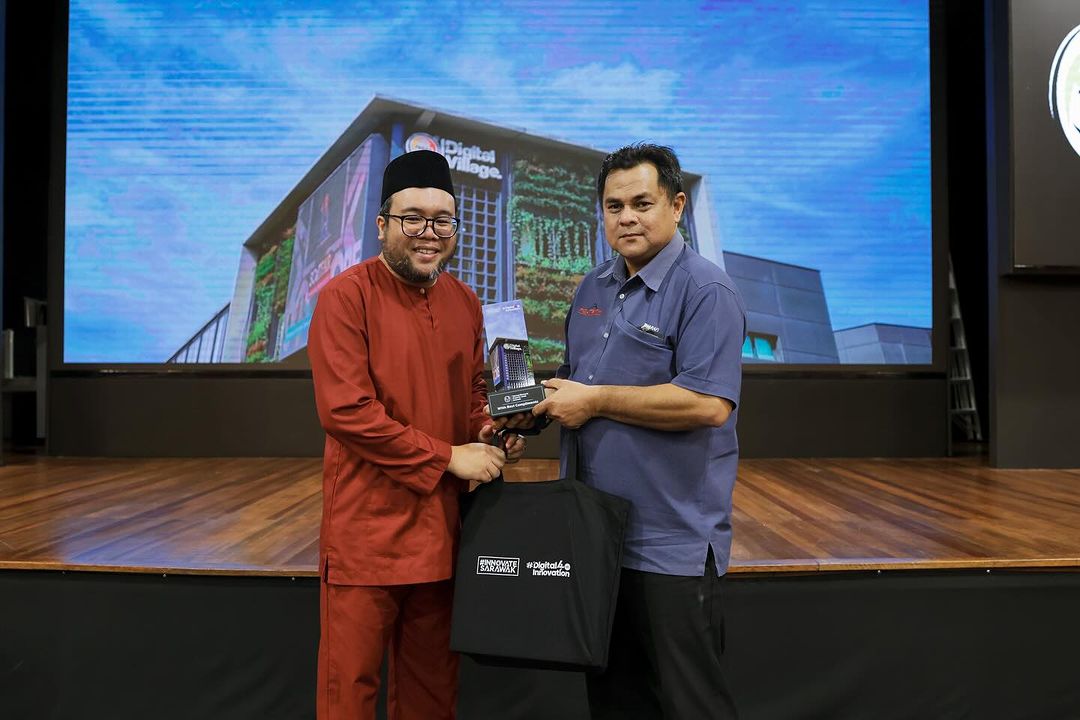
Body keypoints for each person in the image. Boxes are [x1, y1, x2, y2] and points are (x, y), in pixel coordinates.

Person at [307, 149, 525, 720]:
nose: (429, 233)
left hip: (442, 534)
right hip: (365, 534)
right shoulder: (345, 297)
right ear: (382, 225)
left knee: (432, 695)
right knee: (348, 695)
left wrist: (490, 430)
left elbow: (473, 392)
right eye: (412, 219)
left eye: (442, 220)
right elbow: (346, 411)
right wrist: (450, 457)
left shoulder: (465, 301)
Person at [532, 143, 746, 719]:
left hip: (670, 544)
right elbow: (577, 380)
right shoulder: (591, 288)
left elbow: (708, 404)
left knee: (690, 705)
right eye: (613, 206)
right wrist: (531, 409)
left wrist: (595, 400)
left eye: (642, 203)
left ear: (676, 206)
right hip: (595, 537)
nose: (626, 217)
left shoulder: (707, 291)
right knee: (615, 702)